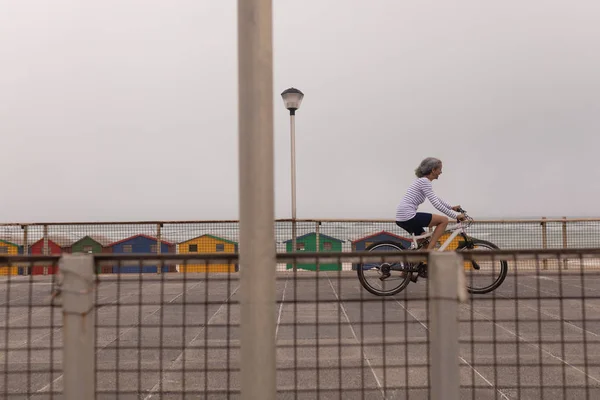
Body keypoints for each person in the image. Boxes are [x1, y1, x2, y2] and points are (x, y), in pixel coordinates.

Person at [395, 157, 466, 251]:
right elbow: (436, 204)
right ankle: (430, 252)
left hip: (402, 217)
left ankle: (418, 262)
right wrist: (455, 216)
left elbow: (436, 198)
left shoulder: (421, 181)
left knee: (424, 243)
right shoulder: (424, 181)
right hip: (408, 216)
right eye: (440, 169)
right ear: (433, 170)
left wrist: (451, 207)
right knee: (444, 220)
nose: (441, 172)